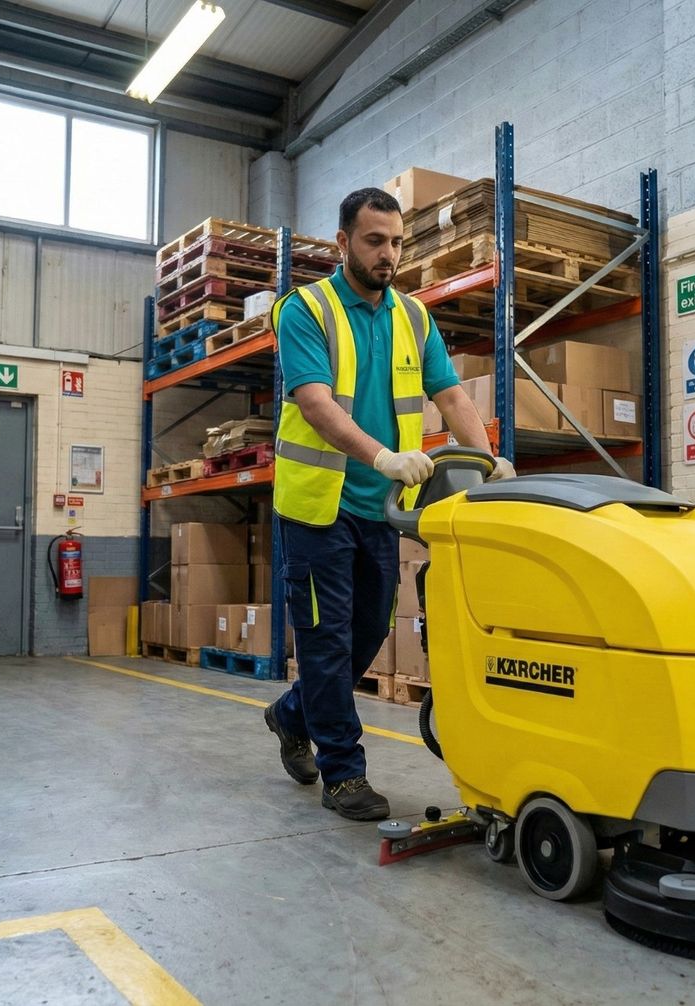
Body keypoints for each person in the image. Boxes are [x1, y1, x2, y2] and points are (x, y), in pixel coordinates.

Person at [263, 187, 515, 821]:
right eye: (375, 241)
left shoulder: (412, 316)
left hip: (381, 510)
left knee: (370, 630)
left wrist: (486, 459)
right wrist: (381, 457)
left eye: (397, 241)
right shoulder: (305, 311)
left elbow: (452, 395)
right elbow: (316, 403)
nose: (388, 254)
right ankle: (342, 773)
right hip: (318, 508)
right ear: (343, 242)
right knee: (325, 642)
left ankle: (291, 715)